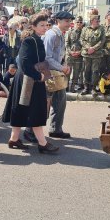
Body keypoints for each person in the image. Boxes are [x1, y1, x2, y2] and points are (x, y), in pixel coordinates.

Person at [2, 13, 59, 153]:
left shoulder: (37, 39)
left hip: (31, 79)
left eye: (46, 25)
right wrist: (39, 76)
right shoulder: (29, 40)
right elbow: (24, 63)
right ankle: (42, 144)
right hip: (28, 79)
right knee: (36, 111)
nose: (45, 27)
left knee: (23, 110)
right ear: (33, 26)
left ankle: (14, 139)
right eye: (42, 25)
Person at [44, 11, 72, 139]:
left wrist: (63, 66)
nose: (69, 23)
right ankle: (30, 131)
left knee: (60, 101)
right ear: (58, 21)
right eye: (66, 21)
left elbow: (58, 55)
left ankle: (55, 129)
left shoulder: (60, 34)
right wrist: (62, 68)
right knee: (44, 103)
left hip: (56, 73)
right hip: (48, 74)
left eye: (69, 20)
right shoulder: (52, 34)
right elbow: (47, 57)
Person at [80, 14, 106, 96]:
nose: (98, 22)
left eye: (98, 20)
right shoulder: (85, 29)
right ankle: (86, 87)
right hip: (87, 54)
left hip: (96, 55)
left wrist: (93, 48)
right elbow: (82, 39)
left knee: (95, 72)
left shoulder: (101, 29)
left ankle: (93, 88)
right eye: (96, 20)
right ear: (91, 21)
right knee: (86, 71)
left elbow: (102, 41)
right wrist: (88, 48)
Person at [65, 16, 84, 92]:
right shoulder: (70, 32)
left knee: (76, 73)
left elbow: (85, 44)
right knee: (67, 72)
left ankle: (73, 87)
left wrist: (80, 52)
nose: (79, 23)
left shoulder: (84, 32)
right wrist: (70, 52)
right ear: (74, 23)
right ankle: (66, 87)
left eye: (80, 22)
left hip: (79, 56)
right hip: (70, 55)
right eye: (77, 22)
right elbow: (66, 43)